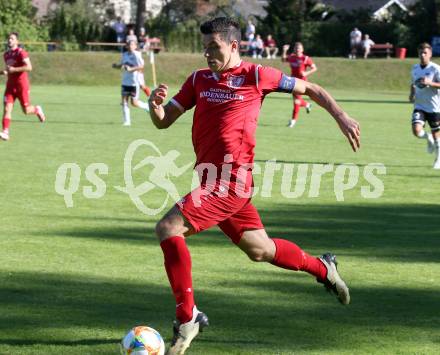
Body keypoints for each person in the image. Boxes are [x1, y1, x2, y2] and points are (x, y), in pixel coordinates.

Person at [148, 17, 360, 355]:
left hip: (229, 182)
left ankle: (187, 318)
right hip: (210, 179)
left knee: (168, 227)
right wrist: (154, 107)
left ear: (233, 46)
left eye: (213, 47)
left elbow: (313, 90)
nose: (207, 54)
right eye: (204, 48)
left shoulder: (257, 76)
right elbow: (164, 121)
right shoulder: (198, 80)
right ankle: (324, 267)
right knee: (260, 250)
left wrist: (341, 116)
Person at [0, 32, 45, 141]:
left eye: (12, 38)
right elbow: (8, 70)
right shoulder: (6, 55)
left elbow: (29, 67)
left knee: (26, 110)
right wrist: (3, 72)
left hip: (22, 86)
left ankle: (37, 110)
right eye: (8, 38)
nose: (9, 40)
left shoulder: (21, 53)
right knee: (7, 109)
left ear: (17, 41)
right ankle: (5, 131)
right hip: (10, 86)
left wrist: (14, 70)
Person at [409, 42, 440, 169]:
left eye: (425, 53)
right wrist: (411, 94)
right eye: (420, 53)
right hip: (420, 106)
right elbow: (413, 83)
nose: (422, 55)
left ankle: (438, 160)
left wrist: (430, 83)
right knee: (416, 131)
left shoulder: (435, 69)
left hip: (434, 107)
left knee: (437, 135)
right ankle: (428, 138)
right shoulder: (415, 68)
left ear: (430, 54)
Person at [112, 40, 149, 126]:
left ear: (135, 46)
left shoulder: (137, 54)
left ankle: (146, 106)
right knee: (124, 101)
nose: (130, 46)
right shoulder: (124, 55)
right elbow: (122, 65)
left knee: (134, 103)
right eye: (129, 44)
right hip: (125, 82)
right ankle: (127, 121)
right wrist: (116, 66)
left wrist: (131, 69)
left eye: (132, 44)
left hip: (134, 82)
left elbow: (141, 66)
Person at [282, 42, 317, 128]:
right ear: (294, 49)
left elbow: (314, 68)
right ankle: (307, 105)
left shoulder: (305, 58)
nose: (297, 50)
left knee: (296, 101)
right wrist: (284, 50)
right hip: (293, 82)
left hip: (301, 83)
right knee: (297, 101)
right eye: (296, 48)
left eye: (299, 48)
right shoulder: (292, 57)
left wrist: (306, 73)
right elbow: (283, 59)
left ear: (302, 49)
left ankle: (293, 121)